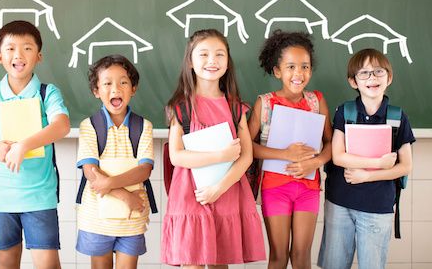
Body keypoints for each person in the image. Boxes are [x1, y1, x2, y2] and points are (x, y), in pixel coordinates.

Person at [0, 20, 70, 269]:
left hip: (39, 196)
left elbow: (61, 126)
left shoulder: (46, 93)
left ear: (39, 56)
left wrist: (24, 145)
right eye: (10, 48)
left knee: (48, 263)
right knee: (6, 262)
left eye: (27, 48)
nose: (18, 55)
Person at [161, 29, 265, 268]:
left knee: (220, 262)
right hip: (190, 195)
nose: (212, 61)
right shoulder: (181, 108)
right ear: (190, 61)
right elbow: (177, 156)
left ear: (228, 62)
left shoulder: (236, 107)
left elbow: (247, 156)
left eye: (219, 54)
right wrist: (221, 155)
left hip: (226, 191)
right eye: (204, 54)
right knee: (192, 261)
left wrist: (218, 189)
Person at [317, 48, 414, 269]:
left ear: (389, 77)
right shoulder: (345, 111)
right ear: (353, 81)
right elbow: (338, 156)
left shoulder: (398, 117)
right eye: (364, 73)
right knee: (334, 265)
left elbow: (406, 166)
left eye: (378, 72)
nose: (372, 78)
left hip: (377, 206)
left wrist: (366, 176)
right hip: (339, 202)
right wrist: (377, 164)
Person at [247, 30, 332, 269]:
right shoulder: (265, 103)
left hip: (308, 187)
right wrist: (285, 154)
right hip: (275, 188)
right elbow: (248, 147)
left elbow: (331, 142)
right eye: (291, 67)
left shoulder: (316, 101)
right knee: (278, 256)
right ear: (277, 71)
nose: (299, 73)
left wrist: (315, 162)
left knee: (302, 255)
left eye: (305, 67)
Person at [76, 54, 155, 269]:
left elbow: (144, 170)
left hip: (132, 220)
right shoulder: (89, 126)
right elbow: (90, 171)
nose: (116, 89)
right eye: (107, 83)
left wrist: (109, 183)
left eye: (123, 82)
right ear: (96, 91)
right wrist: (126, 196)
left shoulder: (143, 126)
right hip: (97, 218)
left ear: (133, 88)